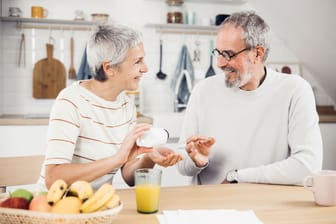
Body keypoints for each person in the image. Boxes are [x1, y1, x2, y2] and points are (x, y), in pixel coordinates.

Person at [176, 11, 323, 185]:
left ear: (258, 54)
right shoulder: (203, 91)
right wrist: (196, 161)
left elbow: (308, 166)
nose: (220, 63)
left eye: (229, 54)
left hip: (268, 205)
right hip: (211, 205)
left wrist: (237, 177)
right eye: (218, 53)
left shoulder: (295, 90)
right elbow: (182, 164)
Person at [37, 24, 182, 190]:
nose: (145, 68)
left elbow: (129, 176)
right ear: (109, 68)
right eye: (137, 61)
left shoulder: (126, 105)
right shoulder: (70, 102)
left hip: (99, 206)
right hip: (55, 206)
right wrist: (117, 158)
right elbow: (53, 178)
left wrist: (149, 157)